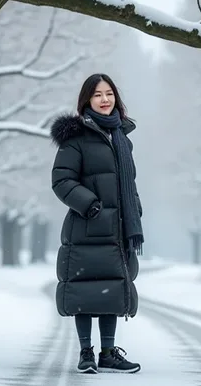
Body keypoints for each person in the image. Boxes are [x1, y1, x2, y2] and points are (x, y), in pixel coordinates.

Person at [50, 73, 144, 374]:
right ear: (87, 100)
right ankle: (86, 352)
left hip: (118, 230)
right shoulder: (75, 137)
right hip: (87, 227)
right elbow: (61, 180)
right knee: (84, 289)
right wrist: (90, 206)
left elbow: (128, 182)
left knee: (111, 289)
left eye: (109, 93)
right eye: (98, 95)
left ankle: (107, 353)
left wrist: (135, 210)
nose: (105, 100)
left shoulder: (122, 138)